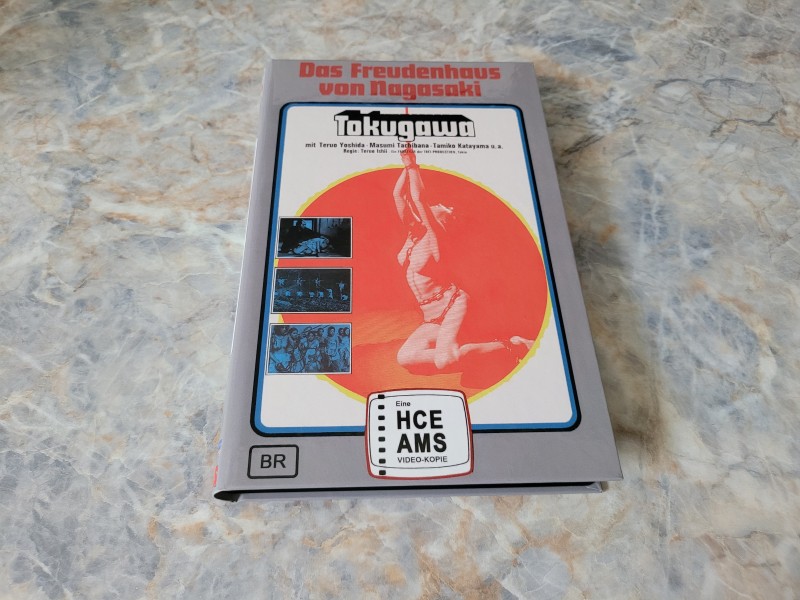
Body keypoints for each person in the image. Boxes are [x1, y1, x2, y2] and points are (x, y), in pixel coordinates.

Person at [393, 146, 533, 374]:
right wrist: (405, 162)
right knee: (405, 357)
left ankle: (515, 345)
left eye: (442, 207)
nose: (435, 205)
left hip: (452, 306)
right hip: (431, 315)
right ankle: (458, 349)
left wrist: (413, 166)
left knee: (444, 361)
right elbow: (398, 196)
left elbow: (418, 198)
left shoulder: (437, 238)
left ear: (446, 218)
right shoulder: (413, 234)